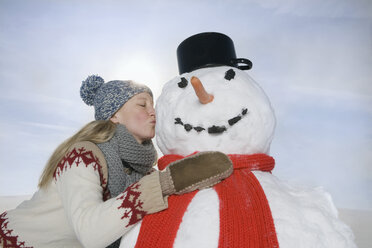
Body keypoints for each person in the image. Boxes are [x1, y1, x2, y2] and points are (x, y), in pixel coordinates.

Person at [0, 75, 233, 248]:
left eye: (153, 106)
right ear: (114, 115)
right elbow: (91, 233)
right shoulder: (83, 155)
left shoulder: (145, 172)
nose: (154, 112)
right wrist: (163, 184)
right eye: (142, 104)